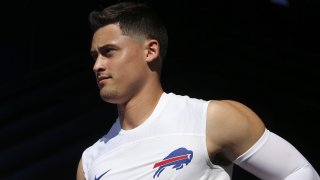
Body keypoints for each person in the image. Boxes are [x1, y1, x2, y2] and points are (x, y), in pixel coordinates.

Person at [77, 1, 320, 180]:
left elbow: (300, 173)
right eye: (94, 56)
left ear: (150, 51)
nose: (97, 65)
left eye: (109, 52)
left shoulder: (210, 119)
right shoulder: (90, 162)